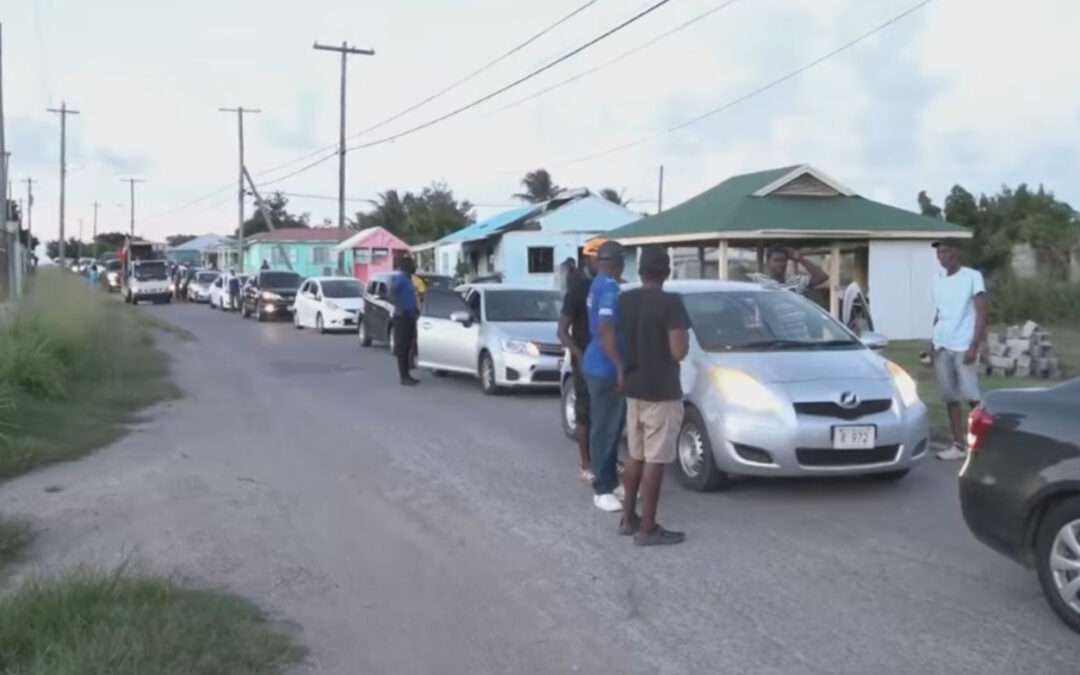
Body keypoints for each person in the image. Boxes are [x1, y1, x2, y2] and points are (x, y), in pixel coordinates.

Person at [617, 246, 690, 546]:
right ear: (667, 272)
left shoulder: (625, 300)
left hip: (633, 387)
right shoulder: (671, 303)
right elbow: (679, 351)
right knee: (655, 460)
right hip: (662, 390)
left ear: (640, 271)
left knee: (635, 455)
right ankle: (648, 528)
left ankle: (627, 518)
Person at [931, 239, 988, 460]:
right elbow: (939, 311)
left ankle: (981, 443)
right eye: (938, 253)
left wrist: (975, 344)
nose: (941, 256)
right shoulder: (936, 280)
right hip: (942, 344)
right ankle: (958, 445)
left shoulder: (972, 277)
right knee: (950, 397)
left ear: (956, 252)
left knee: (973, 397)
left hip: (964, 344)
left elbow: (982, 312)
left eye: (945, 251)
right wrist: (932, 341)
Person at [583, 240, 626, 513]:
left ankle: (610, 479)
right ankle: (601, 487)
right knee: (606, 428)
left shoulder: (597, 282)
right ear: (618, 263)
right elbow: (607, 329)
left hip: (597, 362)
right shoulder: (609, 287)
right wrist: (620, 366)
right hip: (605, 367)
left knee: (611, 427)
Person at [558, 240, 602, 484]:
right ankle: (586, 464)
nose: (601, 264)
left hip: (609, 360)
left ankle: (606, 459)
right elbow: (562, 331)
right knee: (585, 413)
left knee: (608, 414)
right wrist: (579, 355)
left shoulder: (614, 287)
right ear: (587, 260)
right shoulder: (578, 290)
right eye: (597, 259)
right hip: (585, 359)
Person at [390, 256, 421, 386]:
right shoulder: (401, 278)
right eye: (413, 265)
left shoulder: (408, 279)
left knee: (408, 345)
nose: (415, 267)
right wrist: (399, 306)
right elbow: (393, 291)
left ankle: (407, 374)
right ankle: (404, 377)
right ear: (407, 267)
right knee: (402, 347)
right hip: (402, 316)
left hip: (410, 316)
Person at [748, 246, 829, 295]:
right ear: (768, 262)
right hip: (770, 323)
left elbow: (822, 277)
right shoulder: (758, 280)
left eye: (783, 260)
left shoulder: (796, 281)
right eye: (776, 260)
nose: (781, 264)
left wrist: (800, 259)